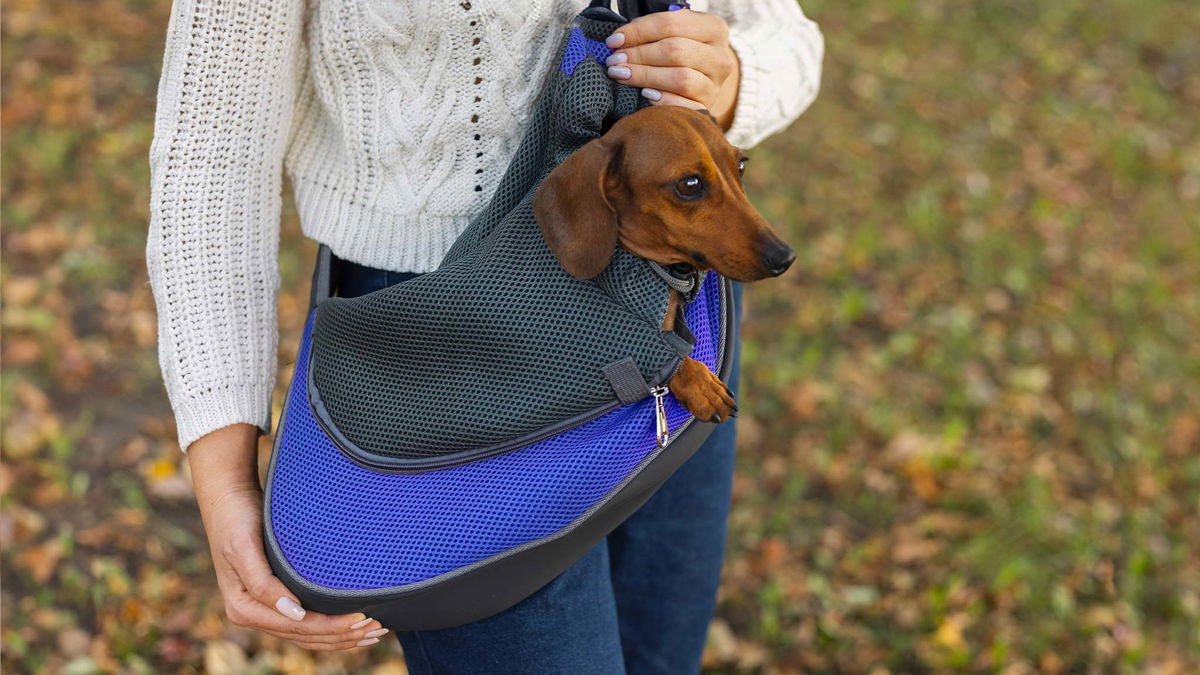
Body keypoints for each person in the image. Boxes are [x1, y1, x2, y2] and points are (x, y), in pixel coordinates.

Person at [146, 0, 823, 671]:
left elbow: (786, 35)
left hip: (678, 307)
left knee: (663, 657)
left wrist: (734, 75)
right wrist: (222, 463)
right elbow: (213, 146)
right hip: (444, 351)